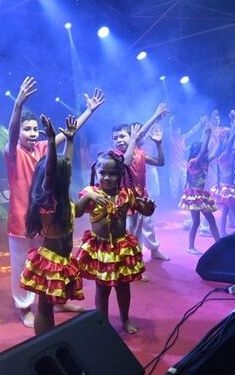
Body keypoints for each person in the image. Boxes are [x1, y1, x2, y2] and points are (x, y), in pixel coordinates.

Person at [5, 76, 104, 327]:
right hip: (23, 217)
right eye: (25, 129)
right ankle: (25, 306)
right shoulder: (12, 152)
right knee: (23, 265)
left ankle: (57, 299)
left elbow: (68, 135)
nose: (30, 133)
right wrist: (17, 105)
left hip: (51, 216)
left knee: (53, 259)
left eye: (33, 128)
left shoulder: (41, 149)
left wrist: (89, 111)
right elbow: (12, 132)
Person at [75, 150, 155, 334]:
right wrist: (89, 197)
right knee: (102, 288)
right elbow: (77, 212)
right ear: (95, 172)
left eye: (112, 174)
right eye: (103, 173)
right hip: (99, 248)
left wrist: (148, 207)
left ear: (120, 175)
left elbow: (144, 210)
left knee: (123, 286)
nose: (107, 177)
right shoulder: (90, 192)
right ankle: (101, 321)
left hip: (121, 248)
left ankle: (125, 319)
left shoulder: (125, 194)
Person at [20, 115, 84, 335]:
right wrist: (50, 140)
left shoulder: (62, 195)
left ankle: (50, 339)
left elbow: (65, 164)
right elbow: (51, 171)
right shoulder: (49, 200)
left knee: (51, 305)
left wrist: (71, 140)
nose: (68, 175)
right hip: (50, 262)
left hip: (63, 259)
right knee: (45, 308)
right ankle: (45, 343)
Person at [112, 120, 169, 266]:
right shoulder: (114, 155)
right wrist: (156, 115)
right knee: (131, 232)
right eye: (115, 138)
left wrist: (159, 143)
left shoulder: (140, 153)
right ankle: (132, 263)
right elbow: (126, 162)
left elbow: (160, 162)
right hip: (125, 201)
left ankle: (154, 251)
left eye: (122, 136)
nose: (118, 140)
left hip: (142, 197)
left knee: (148, 226)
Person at [179, 124, 220, 255]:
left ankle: (192, 246)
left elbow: (213, 153)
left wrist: (219, 142)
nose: (205, 151)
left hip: (200, 195)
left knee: (197, 222)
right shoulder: (193, 163)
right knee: (207, 220)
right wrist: (207, 134)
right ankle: (218, 243)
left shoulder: (204, 161)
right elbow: (203, 152)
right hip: (195, 195)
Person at [166, 115, 206, 200]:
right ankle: (174, 200)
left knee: (185, 182)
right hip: (174, 165)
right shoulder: (171, 139)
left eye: (179, 130)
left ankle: (185, 198)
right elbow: (169, 132)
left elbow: (192, 131)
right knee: (174, 185)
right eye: (177, 130)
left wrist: (200, 123)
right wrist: (170, 124)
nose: (179, 131)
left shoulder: (182, 138)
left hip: (182, 164)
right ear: (174, 131)